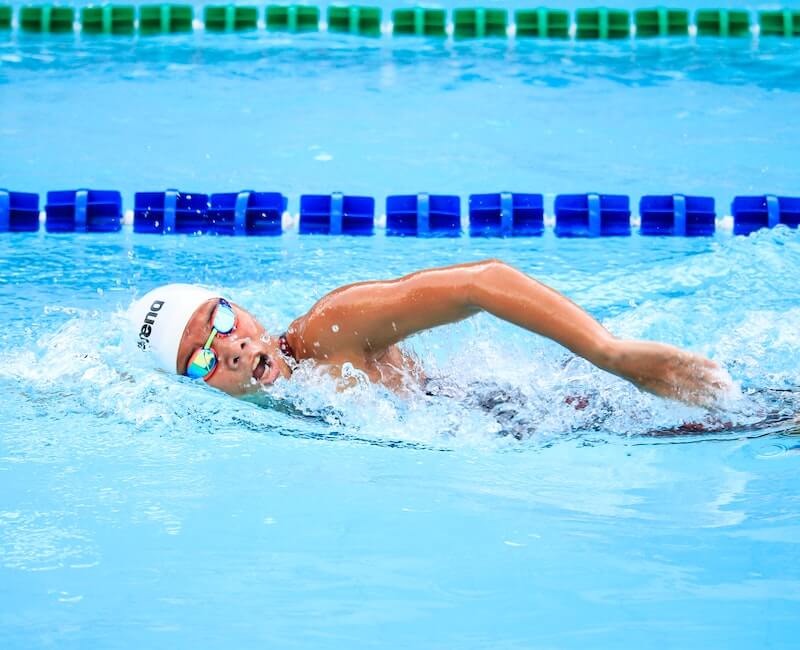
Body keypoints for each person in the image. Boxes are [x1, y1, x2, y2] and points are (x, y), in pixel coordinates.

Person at [128, 259, 731, 407]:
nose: (229, 348)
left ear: (248, 316)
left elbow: (482, 282)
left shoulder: (328, 330)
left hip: (547, 413)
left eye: (223, 322)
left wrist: (611, 354)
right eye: (200, 359)